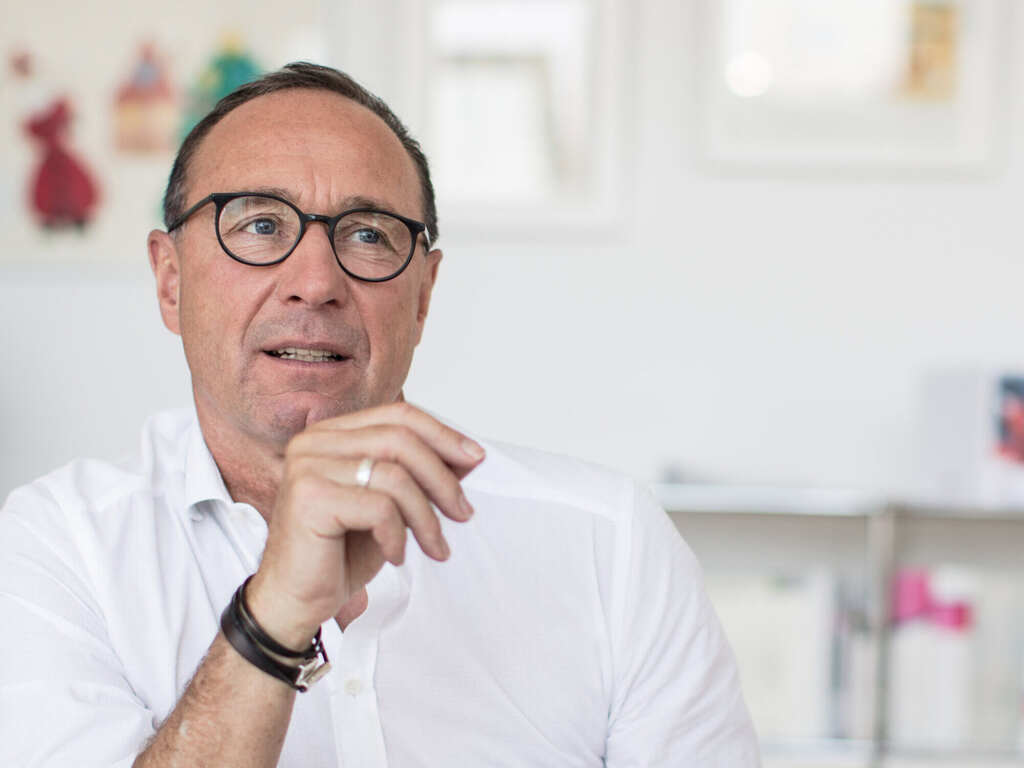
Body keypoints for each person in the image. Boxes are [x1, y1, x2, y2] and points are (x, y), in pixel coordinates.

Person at [0, 63, 759, 767]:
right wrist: (273, 618)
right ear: (170, 281)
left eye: (367, 235)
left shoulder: (611, 544)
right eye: (260, 224)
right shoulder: (58, 549)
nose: (315, 282)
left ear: (424, 295)